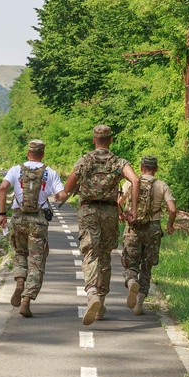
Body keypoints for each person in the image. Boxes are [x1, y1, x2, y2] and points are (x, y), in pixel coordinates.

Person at [55, 125, 139, 326]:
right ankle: (100, 303)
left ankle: (92, 293)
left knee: (90, 252)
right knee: (105, 255)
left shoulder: (85, 160)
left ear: (94, 140)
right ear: (110, 140)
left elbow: (67, 188)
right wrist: (133, 209)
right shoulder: (118, 161)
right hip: (110, 212)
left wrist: (62, 194)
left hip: (89, 212)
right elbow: (135, 180)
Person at [0, 138, 64, 317]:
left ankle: (20, 282)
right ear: (42, 154)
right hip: (38, 222)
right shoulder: (50, 172)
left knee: (20, 253)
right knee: (37, 260)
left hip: (18, 219)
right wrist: (60, 196)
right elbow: (62, 195)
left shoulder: (16, 170)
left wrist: (2, 214)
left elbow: (2, 188)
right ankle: (26, 300)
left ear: (28, 153)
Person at [118, 155, 177, 315]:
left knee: (131, 263)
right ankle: (139, 303)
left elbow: (118, 202)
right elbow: (172, 209)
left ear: (141, 167)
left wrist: (122, 215)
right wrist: (170, 225)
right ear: (156, 168)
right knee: (146, 266)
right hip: (153, 228)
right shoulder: (162, 185)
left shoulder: (130, 182)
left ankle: (131, 281)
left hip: (133, 228)